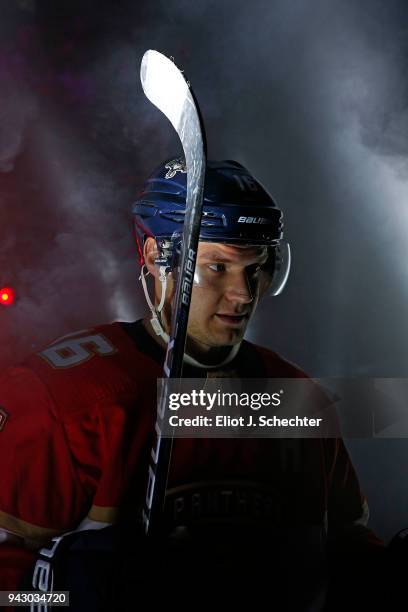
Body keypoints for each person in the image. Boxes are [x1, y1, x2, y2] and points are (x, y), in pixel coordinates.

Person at [0, 158, 384, 609]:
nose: (242, 294)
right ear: (155, 259)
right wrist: (66, 587)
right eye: (217, 268)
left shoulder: (297, 397)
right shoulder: (64, 399)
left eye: (254, 268)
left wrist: (381, 574)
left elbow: (344, 556)